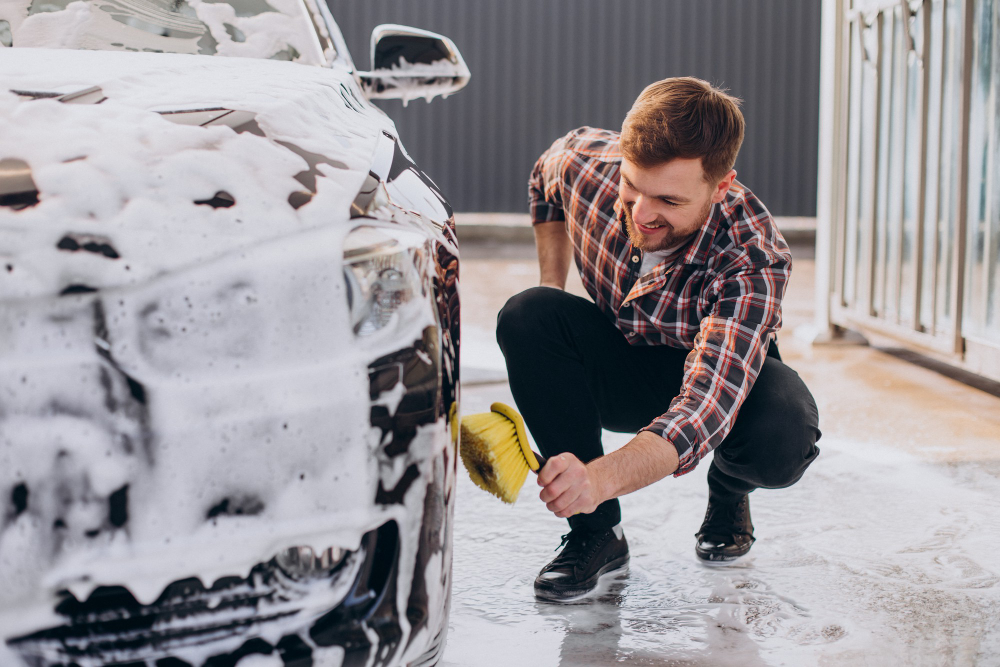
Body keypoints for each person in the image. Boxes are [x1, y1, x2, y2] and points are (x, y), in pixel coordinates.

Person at [496, 77, 821, 602]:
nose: (642, 214)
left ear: (720, 187)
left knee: (782, 433)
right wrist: (551, 284)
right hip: (621, 360)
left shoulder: (753, 253)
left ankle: (729, 490)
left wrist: (599, 477)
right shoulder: (584, 162)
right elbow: (543, 180)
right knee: (530, 314)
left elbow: (703, 406)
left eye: (668, 199)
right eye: (632, 187)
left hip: (714, 378)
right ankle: (596, 534)